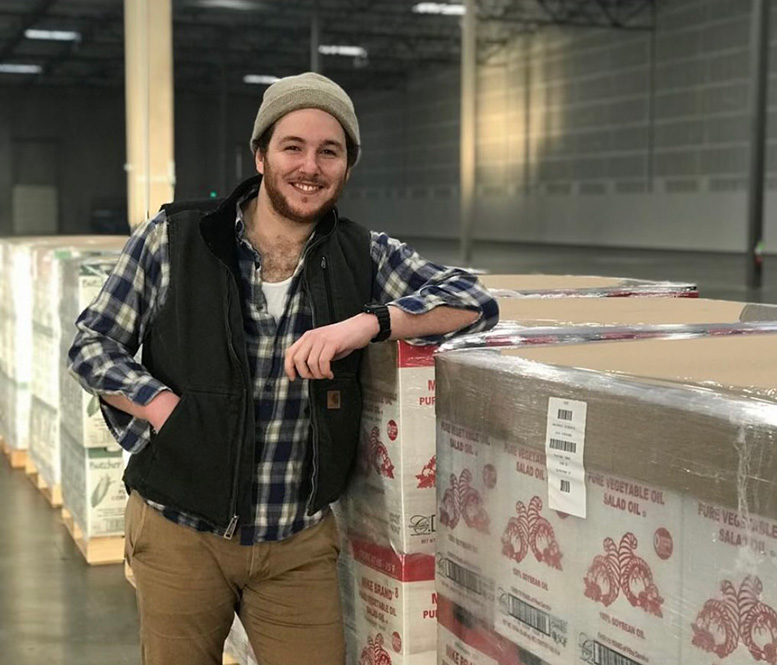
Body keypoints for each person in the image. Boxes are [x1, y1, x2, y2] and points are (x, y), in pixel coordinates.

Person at [68, 72, 499, 665]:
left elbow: (472, 299)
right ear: (260, 154)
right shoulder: (174, 240)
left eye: (330, 151)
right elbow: (93, 345)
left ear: (348, 165)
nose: (310, 166)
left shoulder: (361, 254)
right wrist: (164, 409)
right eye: (293, 146)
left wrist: (368, 323)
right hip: (179, 533)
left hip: (297, 542)